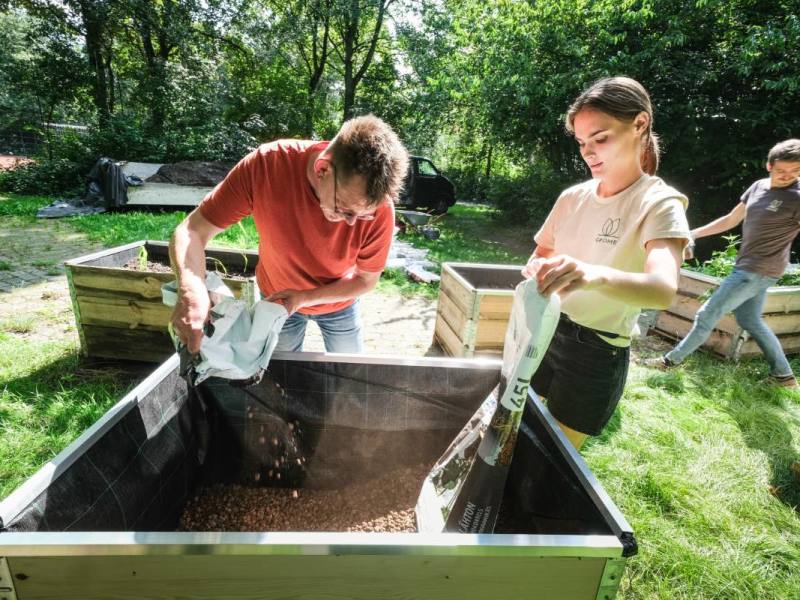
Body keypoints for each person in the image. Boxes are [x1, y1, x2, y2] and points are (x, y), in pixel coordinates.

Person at [521, 76, 691, 450]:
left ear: (640, 124)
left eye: (601, 139)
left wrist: (591, 274)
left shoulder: (660, 203)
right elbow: (541, 254)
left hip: (596, 350)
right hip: (547, 330)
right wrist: (537, 269)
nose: (589, 152)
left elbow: (663, 289)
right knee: (521, 436)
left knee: (556, 459)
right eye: (582, 143)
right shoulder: (572, 197)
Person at [169, 115, 409, 355]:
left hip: (340, 304)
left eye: (363, 215)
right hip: (277, 300)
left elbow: (366, 280)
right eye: (342, 207)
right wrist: (191, 291)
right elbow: (192, 230)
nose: (351, 222)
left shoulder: (380, 208)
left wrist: (304, 298)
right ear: (322, 169)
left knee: (350, 372)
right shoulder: (266, 166)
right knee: (281, 376)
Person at [647, 139, 800, 387]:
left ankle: (669, 362)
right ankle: (783, 375)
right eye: (782, 170)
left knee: (707, 314)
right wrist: (694, 233)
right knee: (750, 321)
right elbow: (731, 220)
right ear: (769, 166)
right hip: (750, 267)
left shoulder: (796, 197)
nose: (788, 177)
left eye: (796, 172)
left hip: (757, 271)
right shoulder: (759, 187)